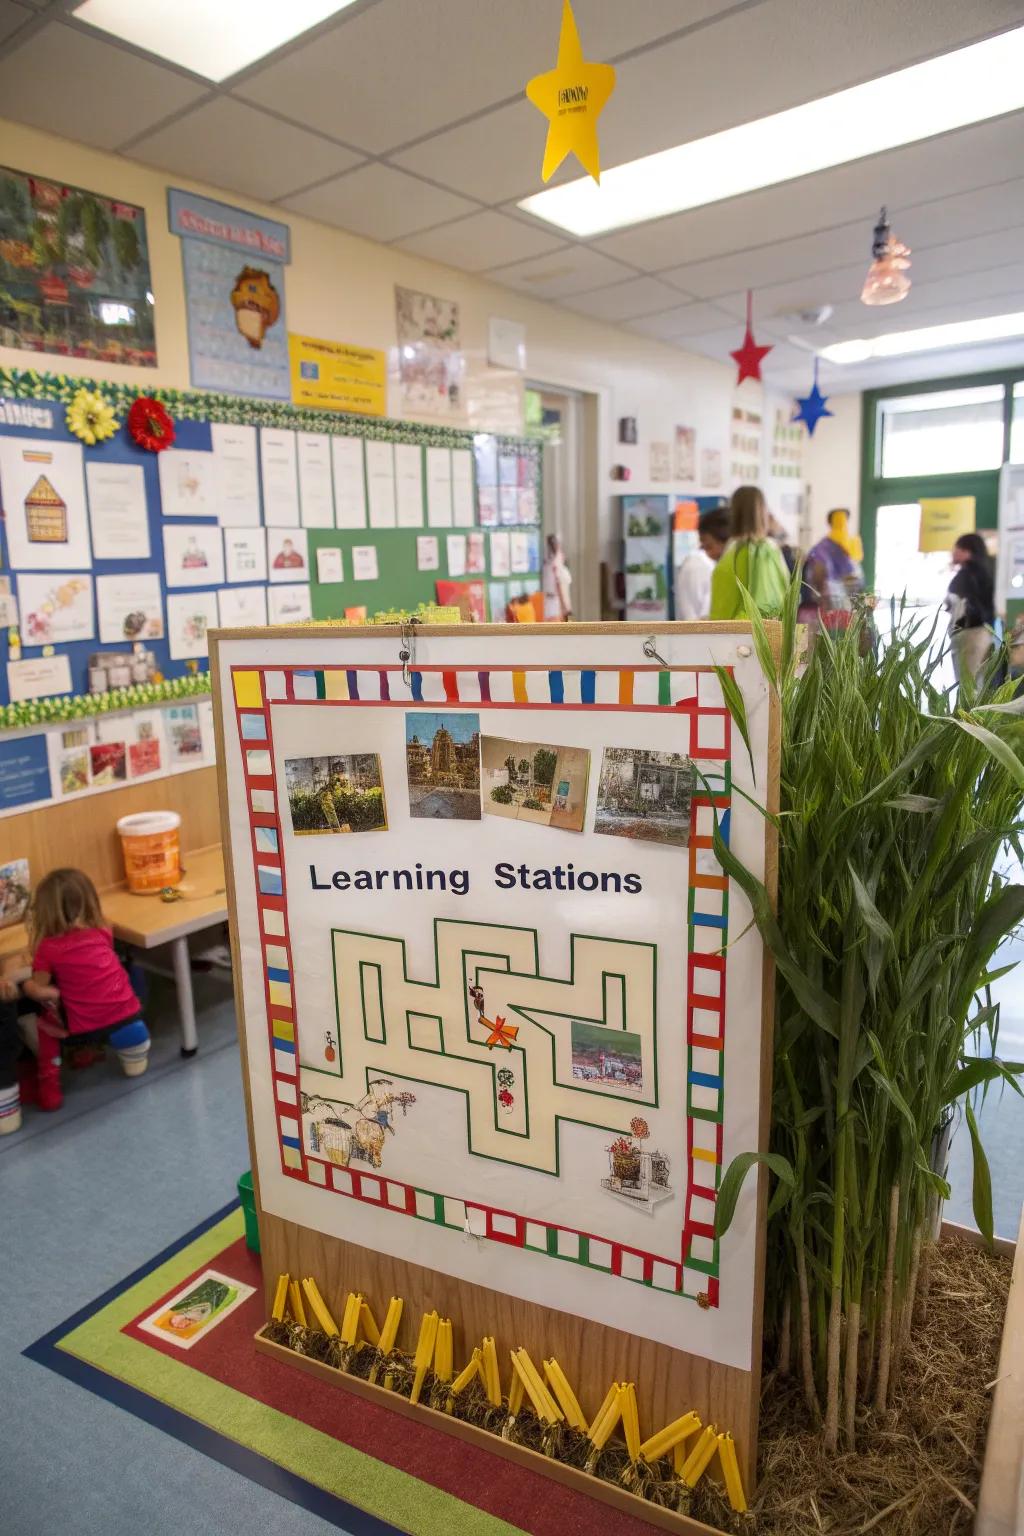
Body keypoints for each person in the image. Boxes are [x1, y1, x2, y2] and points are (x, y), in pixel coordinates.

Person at [22, 868, 150, 1111]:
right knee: (124, 977)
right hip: (129, 1018)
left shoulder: (48, 948)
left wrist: (28, 985)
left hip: (82, 1030)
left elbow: (40, 987)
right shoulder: (103, 929)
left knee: (43, 1017)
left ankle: (50, 1088)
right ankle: (134, 1057)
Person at [710, 486, 791, 619]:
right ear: (763, 512)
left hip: (730, 633)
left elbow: (722, 600)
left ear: (734, 512)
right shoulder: (770, 550)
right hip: (766, 634)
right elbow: (783, 594)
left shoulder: (731, 551)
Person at [801, 508, 864, 627]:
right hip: (829, 602)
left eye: (843, 520)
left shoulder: (852, 544)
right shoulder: (822, 548)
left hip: (848, 602)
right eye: (838, 520)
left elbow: (857, 576)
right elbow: (815, 576)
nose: (841, 524)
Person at [946, 532, 995, 684]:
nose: (954, 552)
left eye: (958, 548)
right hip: (982, 633)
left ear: (968, 552)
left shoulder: (968, 574)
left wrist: (957, 627)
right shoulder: (982, 571)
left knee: (968, 688)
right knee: (976, 684)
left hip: (970, 635)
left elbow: (967, 606)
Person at [675, 505, 730, 619]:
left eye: (709, 546)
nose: (709, 553)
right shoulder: (699, 565)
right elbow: (706, 617)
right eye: (705, 547)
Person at [542, 533, 572, 620]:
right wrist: (565, 607)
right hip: (555, 604)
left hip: (552, 603)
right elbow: (559, 586)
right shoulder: (554, 565)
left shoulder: (550, 564)